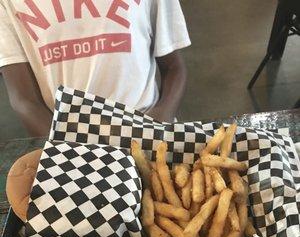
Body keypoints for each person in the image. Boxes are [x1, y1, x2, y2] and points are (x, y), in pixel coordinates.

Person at [0, 0, 191, 137]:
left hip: (147, 127)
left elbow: (173, 66)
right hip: (70, 143)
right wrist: (65, 150)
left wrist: (157, 123)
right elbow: (24, 99)